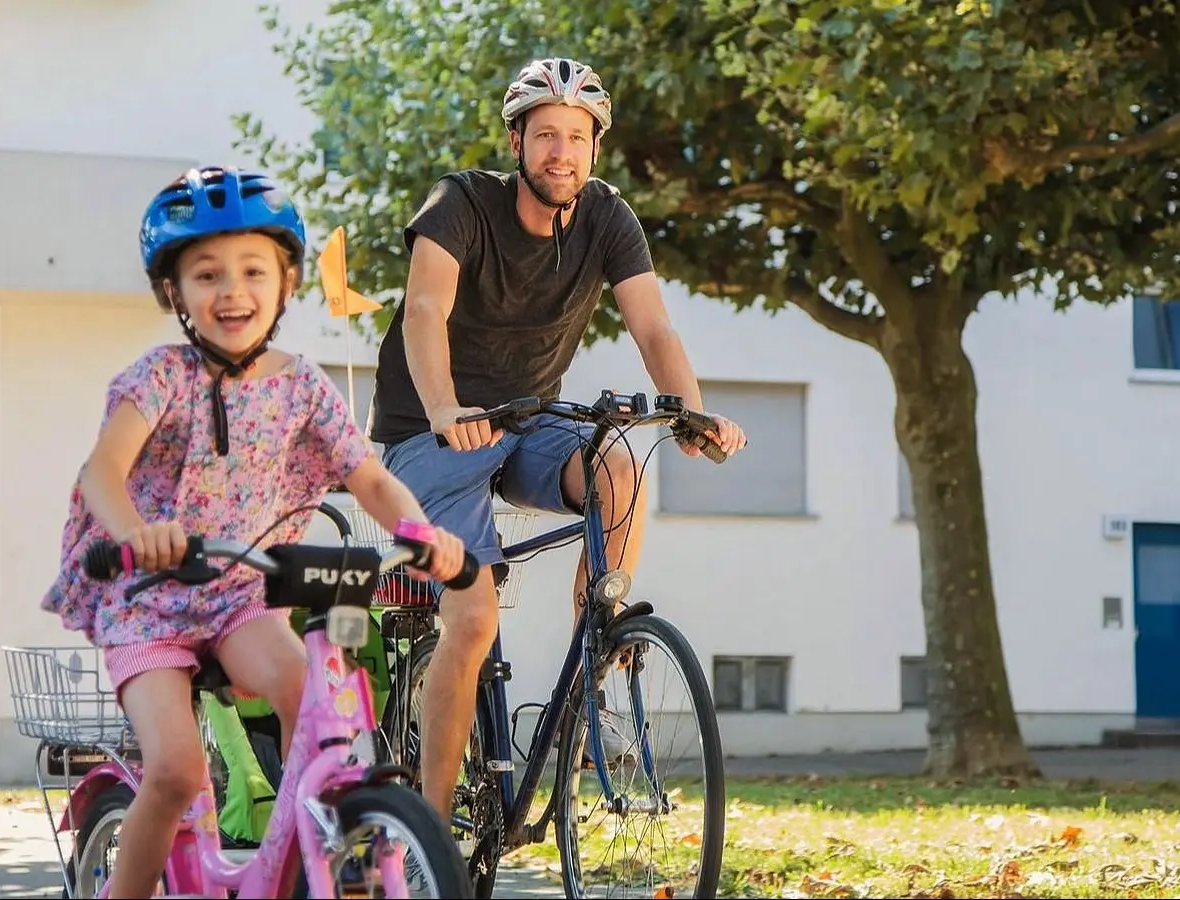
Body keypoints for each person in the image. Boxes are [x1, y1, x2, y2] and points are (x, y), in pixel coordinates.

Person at [40, 166, 467, 898]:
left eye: (251, 270)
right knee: (175, 768)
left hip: (239, 593)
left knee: (316, 702)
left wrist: (420, 529)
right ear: (174, 293)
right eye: (206, 274)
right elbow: (102, 473)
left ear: (287, 281)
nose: (231, 290)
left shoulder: (301, 384)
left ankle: (319, 855)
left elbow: (366, 475)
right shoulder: (160, 377)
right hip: (147, 598)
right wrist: (139, 532)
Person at [366, 57, 748, 821]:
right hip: (433, 432)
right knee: (473, 619)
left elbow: (653, 325)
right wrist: (443, 410)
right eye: (545, 135)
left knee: (617, 463)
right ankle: (434, 831)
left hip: (530, 419)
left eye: (577, 137)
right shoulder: (462, 203)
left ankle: (593, 659)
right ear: (517, 142)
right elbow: (422, 313)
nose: (561, 153)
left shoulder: (606, 215)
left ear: (595, 148)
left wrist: (690, 415)